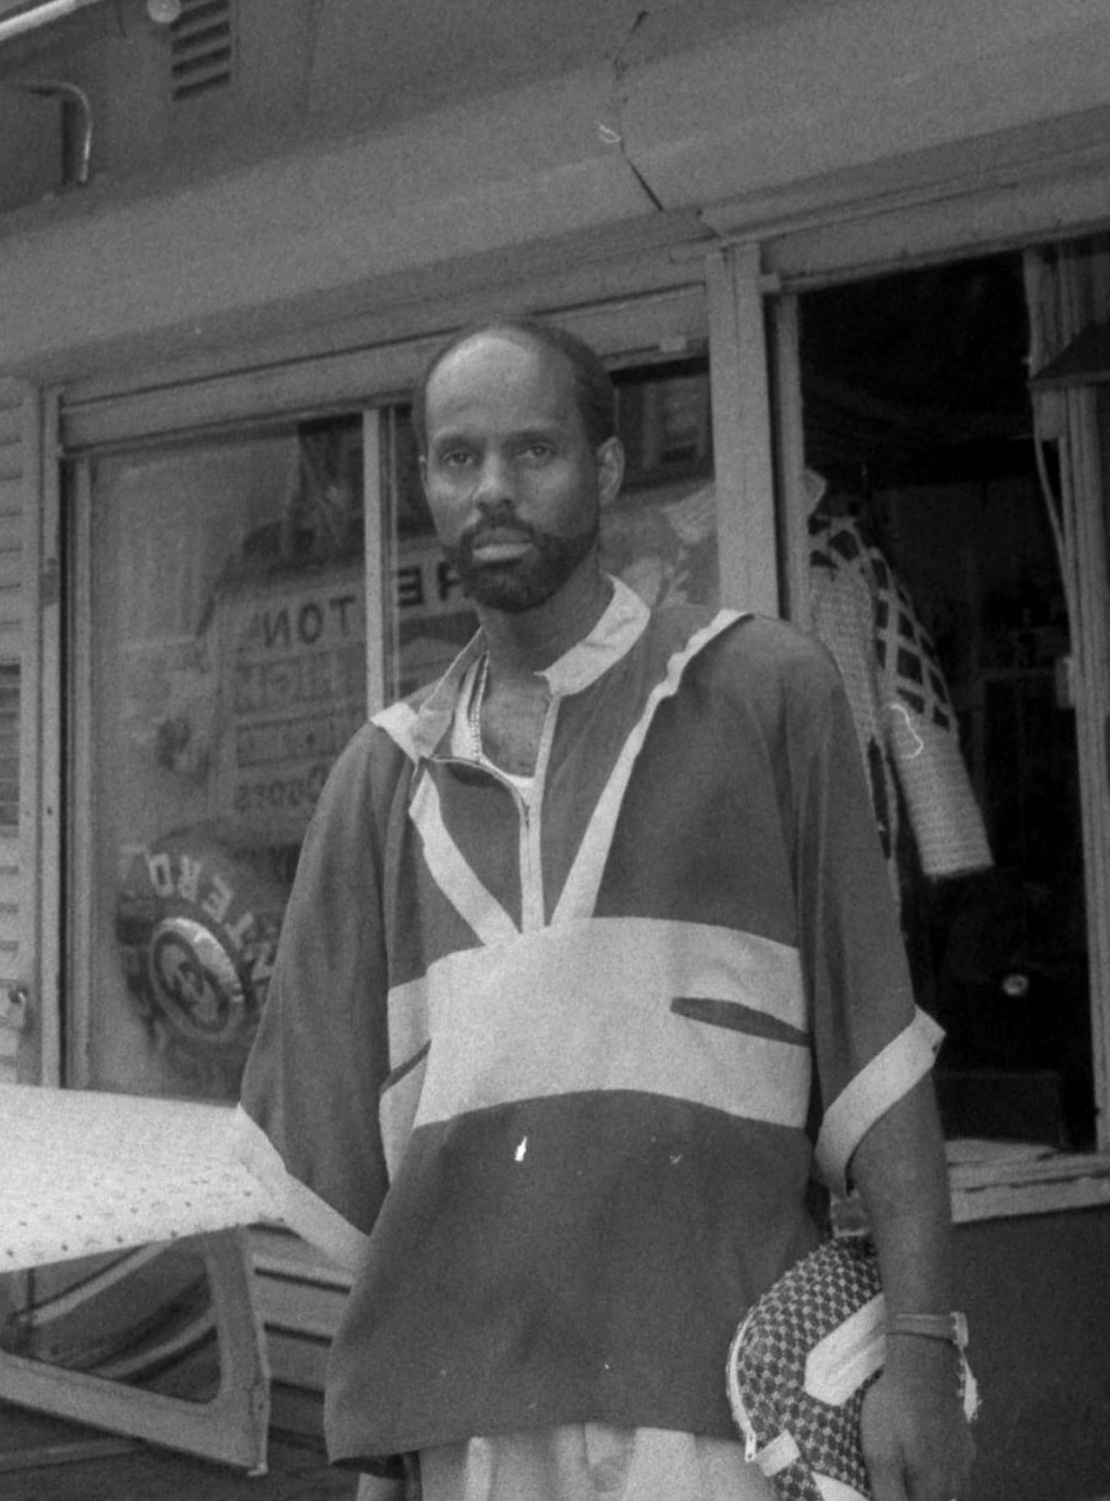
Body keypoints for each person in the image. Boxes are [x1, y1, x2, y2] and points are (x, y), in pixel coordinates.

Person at [237, 321, 973, 1501]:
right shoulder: (380, 781)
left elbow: (879, 1057)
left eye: (534, 451)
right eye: (457, 458)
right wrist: (388, 1445)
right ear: (425, 485)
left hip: (721, 1409)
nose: (493, 490)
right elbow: (375, 1189)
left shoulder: (764, 692)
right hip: (473, 1427)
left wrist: (923, 1353)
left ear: (610, 471)